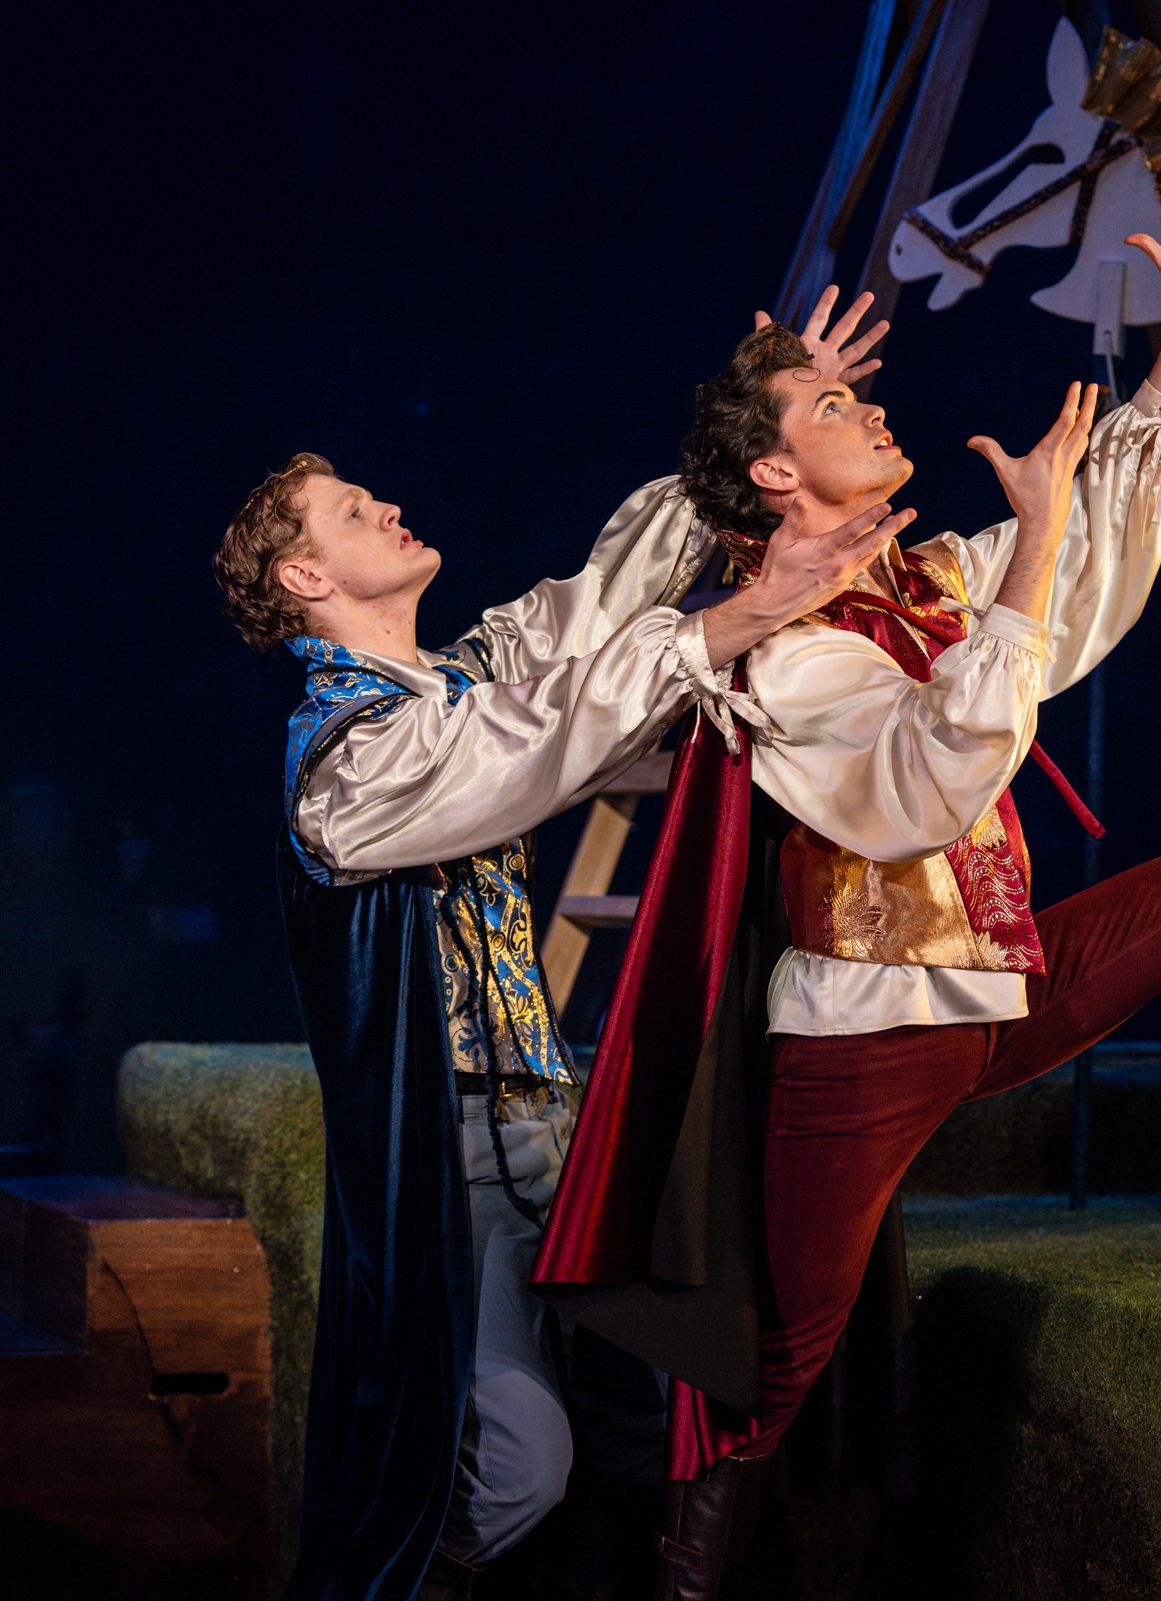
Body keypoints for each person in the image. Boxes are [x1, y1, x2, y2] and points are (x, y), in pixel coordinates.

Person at [532, 174, 1161, 1601]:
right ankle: (685, 1576)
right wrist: (1026, 567)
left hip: (997, 993)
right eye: (834, 409)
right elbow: (929, 779)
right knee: (776, 1362)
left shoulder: (930, 578)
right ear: (775, 478)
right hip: (868, 1038)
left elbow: (1090, 555)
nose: (873, 412)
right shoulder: (778, 652)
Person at [211, 298, 906, 1601]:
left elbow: (595, 605)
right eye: (352, 511)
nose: (387, 507)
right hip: (456, 1176)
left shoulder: (462, 674)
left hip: (557, 1139)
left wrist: (764, 414)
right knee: (516, 1468)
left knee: (658, 1426)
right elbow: (523, 743)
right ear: (306, 579)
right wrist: (732, 621)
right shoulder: (345, 767)